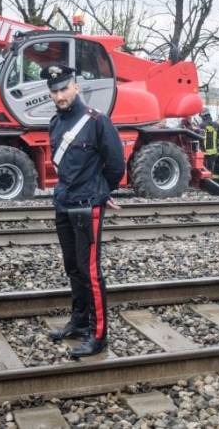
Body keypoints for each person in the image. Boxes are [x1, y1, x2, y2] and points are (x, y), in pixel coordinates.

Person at [43, 64, 125, 358]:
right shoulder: (55, 123)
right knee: (73, 267)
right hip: (63, 203)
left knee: (90, 272)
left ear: (75, 87)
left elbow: (116, 164)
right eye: (54, 91)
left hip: (86, 205)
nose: (59, 95)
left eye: (64, 89)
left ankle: (99, 335)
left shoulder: (97, 121)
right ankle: (79, 322)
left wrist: (102, 193)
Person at [199, 109, 219, 176]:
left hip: (204, 150)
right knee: (211, 168)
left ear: (204, 116)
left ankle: (205, 183)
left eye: (201, 117)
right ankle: (211, 181)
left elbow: (199, 138)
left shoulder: (202, 125)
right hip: (214, 151)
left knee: (204, 168)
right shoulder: (216, 125)